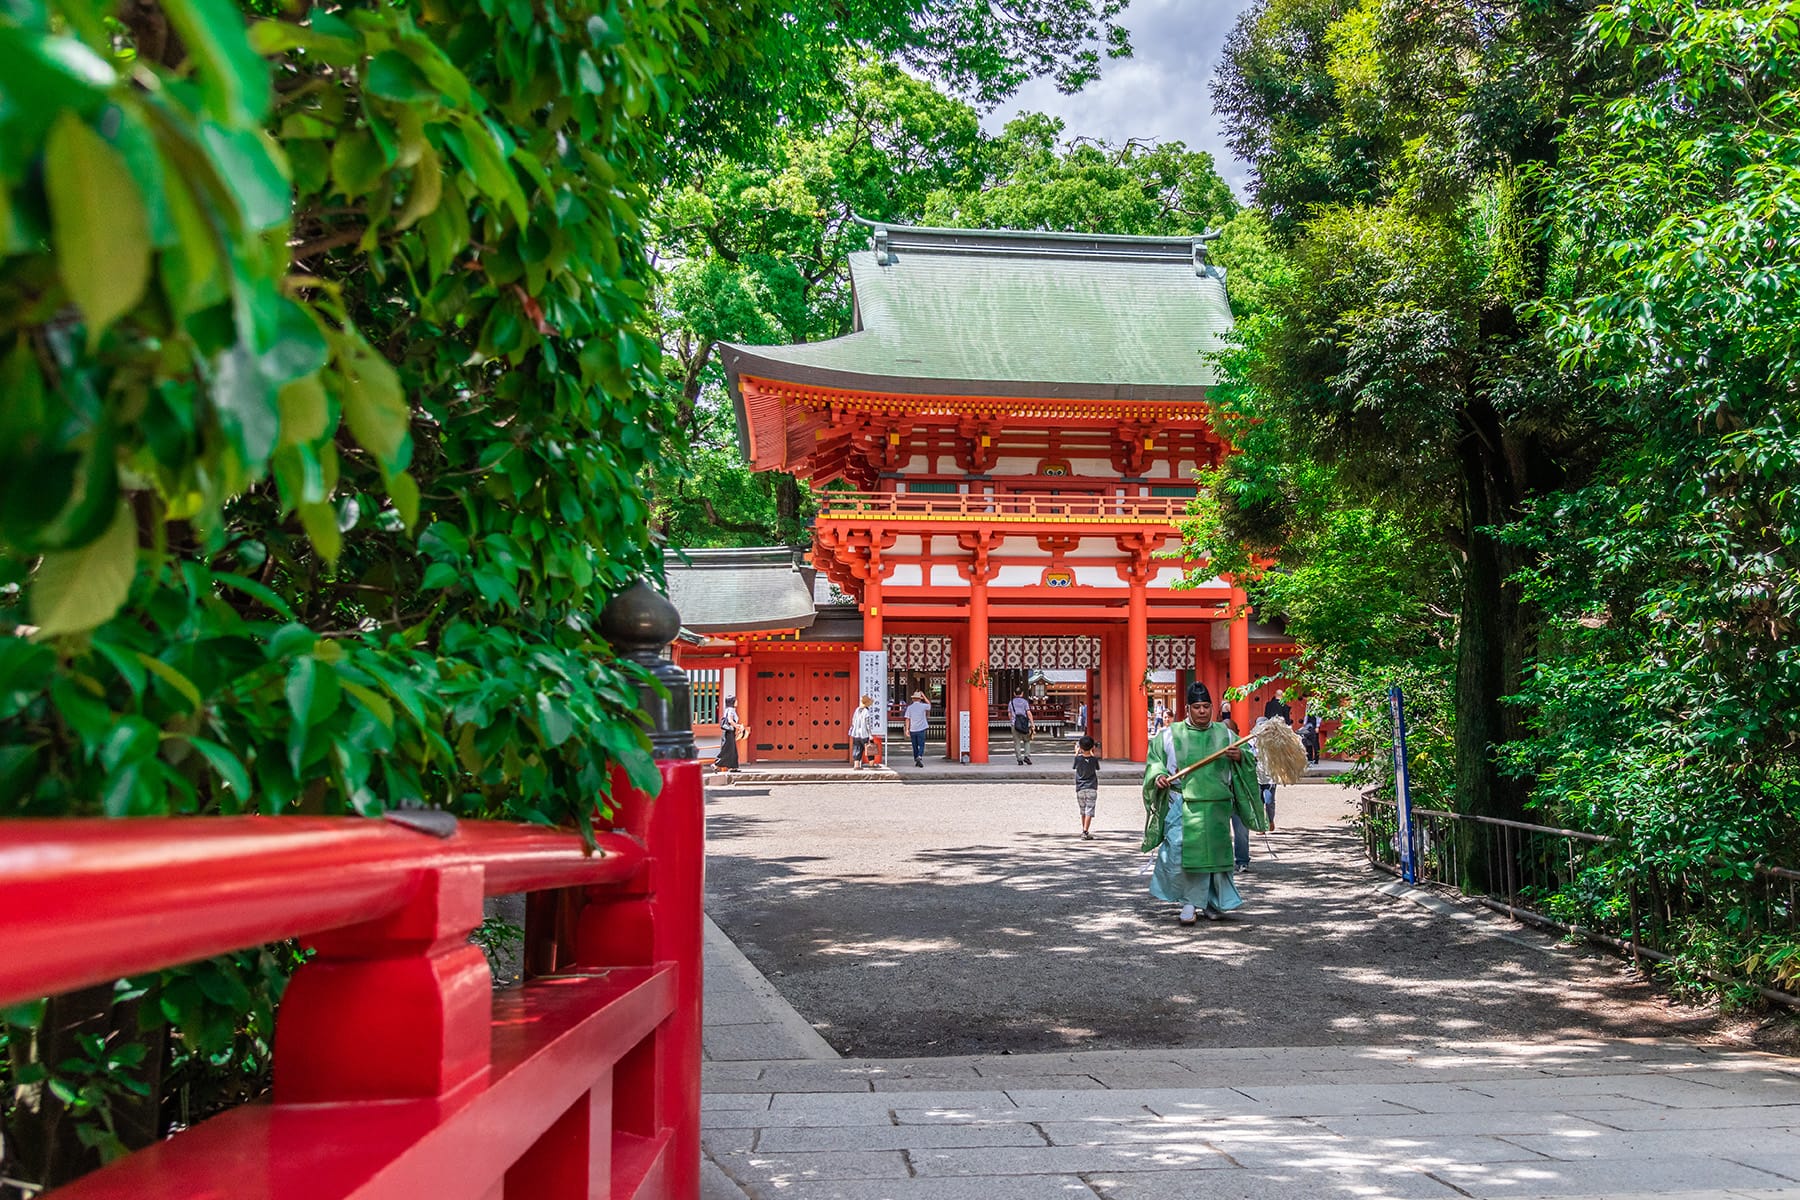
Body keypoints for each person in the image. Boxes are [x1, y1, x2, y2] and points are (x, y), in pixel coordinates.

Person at [1142, 681, 1265, 925]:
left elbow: (1249, 757)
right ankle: (1189, 902)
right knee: (1180, 851)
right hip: (1183, 802)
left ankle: (1213, 903)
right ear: (1188, 708)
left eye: (1206, 706)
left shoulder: (1226, 734)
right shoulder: (1169, 734)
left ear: (1212, 708)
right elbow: (1154, 761)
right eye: (1197, 707)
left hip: (1217, 804)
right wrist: (1159, 777)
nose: (1202, 711)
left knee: (1216, 858)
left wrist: (1240, 756)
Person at [1253, 716, 1279, 832]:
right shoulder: (1251, 741)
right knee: (1258, 802)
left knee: (1269, 801)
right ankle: (1261, 826)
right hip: (1257, 776)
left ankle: (1270, 820)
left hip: (1270, 777)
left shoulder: (1274, 742)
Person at [1073, 735, 1100, 839]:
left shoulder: (1078, 759)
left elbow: (1075, 766)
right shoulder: (1094, 760)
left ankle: (1084, 829)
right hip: (1092, 787)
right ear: (1092, 747)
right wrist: (1091, 753)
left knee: (1083, 810)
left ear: (1080, 747)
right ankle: (1085, 831)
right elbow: (1096, 767)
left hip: (1080, 787)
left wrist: (1076, 753)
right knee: (1090, 809)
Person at [903, 690, 931, 767]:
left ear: (913, 699)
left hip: (913, 729)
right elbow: (929, 705)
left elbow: (907, 719)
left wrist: (907, 730)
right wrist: (924, 696)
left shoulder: (910, 708)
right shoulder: (923, 706)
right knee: (921, 745)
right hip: (921, 728)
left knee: (914, 745)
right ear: (920, 699)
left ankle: (916, 758)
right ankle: (919, 756)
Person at [849, 695, 876, 769]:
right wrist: (870, 735)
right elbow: (867, 725)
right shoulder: (866, 711)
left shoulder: (857, 710)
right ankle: (871, 765)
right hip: (864, 734)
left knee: (857, 748)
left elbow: (853, 721)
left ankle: (856, 765)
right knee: (870, 749)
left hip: (856, 734)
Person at [714, 695, 741, 771]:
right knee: (727, 749)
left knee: (732, 749)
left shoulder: (727, 709)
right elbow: (730, 720)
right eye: (735, 700)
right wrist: (738, 726)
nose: (737, 702)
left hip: (728, 731)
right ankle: (716, 764)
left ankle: (733, 767)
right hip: (729, 731)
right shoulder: (731, 710)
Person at [1007, 692, 1033, 764]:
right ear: (1022, 693)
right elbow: (1028, 713)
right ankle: (1026, 756)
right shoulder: (1025, 702)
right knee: (1027, 740)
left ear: (1014, 693)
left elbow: (1009, 714)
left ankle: (1019, 759)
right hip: (1024, 724)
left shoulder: (1011, 702)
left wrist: (1012, 721)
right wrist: (1032, 723)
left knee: (1017, 742)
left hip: (1015, 724)